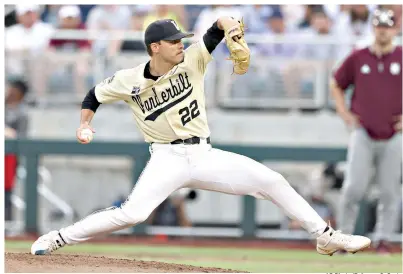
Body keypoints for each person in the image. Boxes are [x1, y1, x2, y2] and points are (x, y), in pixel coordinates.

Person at [31, 16, 370, 256]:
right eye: (174, 41)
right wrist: (84, 123)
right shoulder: (128, 79)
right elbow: (93, 95)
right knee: (133, 214)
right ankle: (60, 237)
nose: (181, 44)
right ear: (154, 47)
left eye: (181, 39)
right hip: (167, 158)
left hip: (204, 154)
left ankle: (325, 237)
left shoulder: (193, 58)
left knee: (272, 180)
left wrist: (230, 24)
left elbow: (216, 27)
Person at [331, 9, 402, 254]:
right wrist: (344, 112)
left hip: (394, 133)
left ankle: (383, 239)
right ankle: (345, 238)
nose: (383, 31)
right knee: (354, 188)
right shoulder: (359, 57)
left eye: (388, 26)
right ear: (373, 28)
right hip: (363, 131)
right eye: (379, 26)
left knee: (390, 191)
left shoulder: (401, 57)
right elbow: (337, 83)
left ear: (395, 29)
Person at [5, 78, 30, 224]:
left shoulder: (22, 113)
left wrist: (9, 132)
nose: (9, 91)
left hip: (9, 157)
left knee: (6, 193)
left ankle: (6, 224)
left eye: (13, 88)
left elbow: (22, 137)